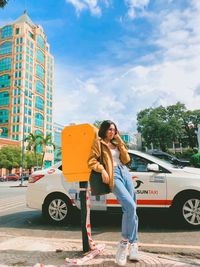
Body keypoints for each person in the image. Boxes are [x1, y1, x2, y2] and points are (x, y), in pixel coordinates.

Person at [88, 120, 139, 266]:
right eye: (110, 129)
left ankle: (134, 244)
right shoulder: (98, 143)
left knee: (131, 209)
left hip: (125, 172)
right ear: (104, 130)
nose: (112, 132)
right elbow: (91, 161)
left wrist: (121, 142)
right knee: (130, 206)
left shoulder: (117, 144)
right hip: (113, 174)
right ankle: (123, 244)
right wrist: (102, 170)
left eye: (114, 130)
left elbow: (126, 159)